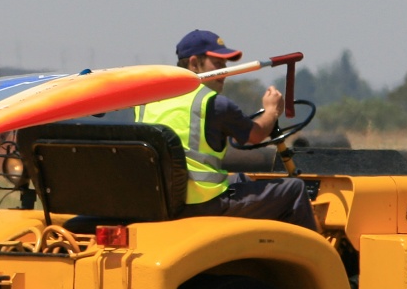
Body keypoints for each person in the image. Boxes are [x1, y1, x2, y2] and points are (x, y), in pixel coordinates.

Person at [136, 29, 319, 231]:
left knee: (241, 179)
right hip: (204, 204)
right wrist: (272, 111)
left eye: (225, 65)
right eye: (218, 64)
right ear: (194, 63)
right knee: (294, 189)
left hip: (163, 201)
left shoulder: (146, 102)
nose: (225, 72)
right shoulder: (213, 104)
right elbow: (256, 134)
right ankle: (318, 258)